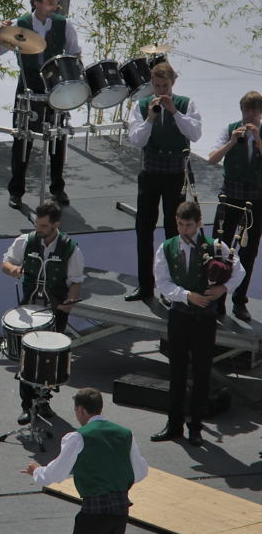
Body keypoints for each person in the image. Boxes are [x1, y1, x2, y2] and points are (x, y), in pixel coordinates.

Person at [150, 201, 243, 447]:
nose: (183, 230)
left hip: (205, 320)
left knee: (202, 372)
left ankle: (196, 427)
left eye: (188, 225)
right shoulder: (167, 247)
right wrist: (187, 295)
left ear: (199, 223)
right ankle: (174, 424)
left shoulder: (216, 246)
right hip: (180, 315)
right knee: (177, 371)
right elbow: (163, 282)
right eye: (180, 224)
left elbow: (239, 271)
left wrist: (223, 288)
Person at [0, 0, 81, 209]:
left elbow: (74, 52)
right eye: (51, 2)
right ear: (37, 3)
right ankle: (16, 191)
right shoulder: (19, 25)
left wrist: (76, 74)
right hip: (28, 84)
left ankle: (57, 189)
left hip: (55, 85)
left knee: (58, 137)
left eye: (56, 2)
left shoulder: (64, 24)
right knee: (22, 138)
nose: (55, 6)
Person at [125, 62, 202, 302]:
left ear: (173, 83)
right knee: (144, 230)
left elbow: (195, 134)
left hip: (175, 175)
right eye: (157, 86)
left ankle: (173, 288)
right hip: (150, 174)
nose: (161, 92)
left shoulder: (185, 104)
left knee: (173, 231)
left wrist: (174, 112)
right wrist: (149, 119)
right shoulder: (140, 105)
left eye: (165, 86)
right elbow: (136, 140)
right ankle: (145, 286)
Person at [23, 388, 149, 534]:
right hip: (121, 511)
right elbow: (140, 472)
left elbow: (56, 473)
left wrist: (36, 472)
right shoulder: (126, 434)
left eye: (76, 411)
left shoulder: (78, 437)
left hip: (94, 512)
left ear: (81, 410)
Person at [2, 201, 84, 423]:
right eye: (37, 224)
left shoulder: (70, 248)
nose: (39, 229)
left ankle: (44, 401)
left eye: (44, 226)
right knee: (26, 357)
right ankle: (27, 405)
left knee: (50, 360)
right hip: (30, 307)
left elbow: (75, 281)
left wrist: (71, 300)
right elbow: (6, 264)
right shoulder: (26, 241)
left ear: (55, 225)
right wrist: (14, 270)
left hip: (55, 310)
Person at [205, 90, 262, 322]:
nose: (250, 116)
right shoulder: (229, 129)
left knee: (249, 251)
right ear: (241, 111)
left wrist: (258, 142)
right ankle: (217, 301)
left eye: (254, 112)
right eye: (246, 111)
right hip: (231, 194)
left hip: (256, 197)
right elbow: (211, 158)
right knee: (221, 247)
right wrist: (231, 142)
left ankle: (240, 301)